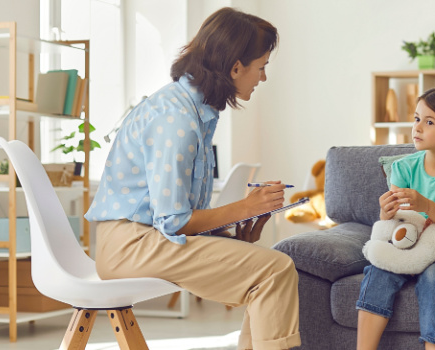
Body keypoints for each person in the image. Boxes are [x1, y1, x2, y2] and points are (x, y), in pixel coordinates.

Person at [84, 8, 300, 350]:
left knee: (267, 271)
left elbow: (176, 217)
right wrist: (243, 208)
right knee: (275, 270)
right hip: (130, 246)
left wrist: (232, 229)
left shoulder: (194, 113)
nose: (263, 78)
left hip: (143, 240)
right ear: (235, 68)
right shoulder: (177, 120)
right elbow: (173, 221)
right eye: (262, 67)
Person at [356, 87, 435, 350]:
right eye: (416, 119)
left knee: (434, 277)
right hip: (407, 247)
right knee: (379, 269)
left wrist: (425, 204)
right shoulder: (402, 168)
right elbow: (395, 224)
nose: (418, 128)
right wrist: (385, 214)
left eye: (429, 122)